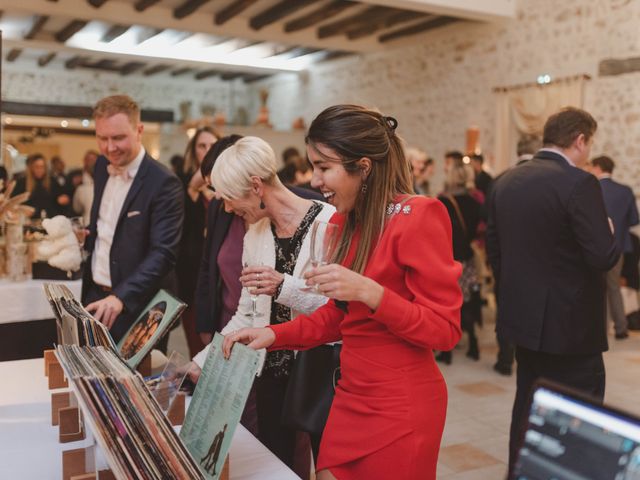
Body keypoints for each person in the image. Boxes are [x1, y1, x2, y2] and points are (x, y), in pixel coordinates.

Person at [222, 105, 462, 480]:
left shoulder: (421, 215)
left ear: (363, 167)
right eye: (313, 166)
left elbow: (444, 331)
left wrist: (373, 294)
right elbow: (338, 317)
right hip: (350, 399)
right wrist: (272, 335)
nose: (315, 180)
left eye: (324, 167)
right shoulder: (342, 221)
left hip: (401, 406)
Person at [486, 107, 619, 474]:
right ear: (580, 140)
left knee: (528, 406)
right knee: (579, 418)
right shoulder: (580, 182)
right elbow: (603, 257)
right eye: (588, 143)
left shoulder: (506, 181)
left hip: (523, 323)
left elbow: (496, 254)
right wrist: (608, 227)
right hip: (571, 328)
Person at [191, 136, 335, 472]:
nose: (226, 209)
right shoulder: (255, 234)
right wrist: (202, 362)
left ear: (256, 186)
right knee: (275, 467)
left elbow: (337, 309)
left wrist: (283, 286)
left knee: (329, 466)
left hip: (320, 371)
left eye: (229, 199)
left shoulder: (327, 222)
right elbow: (245, 313)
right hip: (270, 372)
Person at [81, 94, 184, 342]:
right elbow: (108, 225)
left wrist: (121, 297)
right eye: (102, 138)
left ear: (139, 130)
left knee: (135, 381)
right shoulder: (101, 168)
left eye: (118, 138)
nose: (109, 147)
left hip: (138, 307)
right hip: (95, 297)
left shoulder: (164, 183)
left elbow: (163, 253)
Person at [490, 134, 542, 376]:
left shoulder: (501, 180)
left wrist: (496, 265)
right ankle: (531, 359)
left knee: (506, 312)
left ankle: (505, 360)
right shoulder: (547, 179)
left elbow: (491, 229)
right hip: (537, 264)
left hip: (506, 262)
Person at [176, 126, 220, 357]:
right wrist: (192, 189)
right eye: (202, 146)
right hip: (191, 271)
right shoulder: (182, 183)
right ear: (193, 152)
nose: (207, 150)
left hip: (221, 271)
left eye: (212, 145)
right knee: (196, 338)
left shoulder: (226, 184)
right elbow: (182, 229)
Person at [436, 158, 482, 364]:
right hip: (467, 259)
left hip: (446, 259)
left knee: (447, 303)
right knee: (467, 302)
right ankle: (473, 344)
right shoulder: (475, 202)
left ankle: (447, 351)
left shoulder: (442, 202)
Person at [590, 155, 639, 339]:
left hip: (595, 247)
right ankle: (621, 328)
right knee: (614, 287)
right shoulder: (625, 191)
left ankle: (600, 330)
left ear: (597, 167)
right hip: (619, 246)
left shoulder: (591, 188)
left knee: (597, 288)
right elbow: (635, 219)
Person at [12, 153, 57, 219]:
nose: (40, 170)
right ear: (31, 168)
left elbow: (55, 201)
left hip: (48, 220)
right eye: (37, 167)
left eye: (42, 167)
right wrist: (22, 210)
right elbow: (13, 203)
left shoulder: (52, 181)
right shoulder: (21, 182)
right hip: (27, 220)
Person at [73, 150, 98, 226]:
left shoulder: (105, 177)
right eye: (89, 160)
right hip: (85, 221)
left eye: (94, 160)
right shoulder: (74, 176)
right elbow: (76, 208)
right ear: (84, 161)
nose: (91, 163)